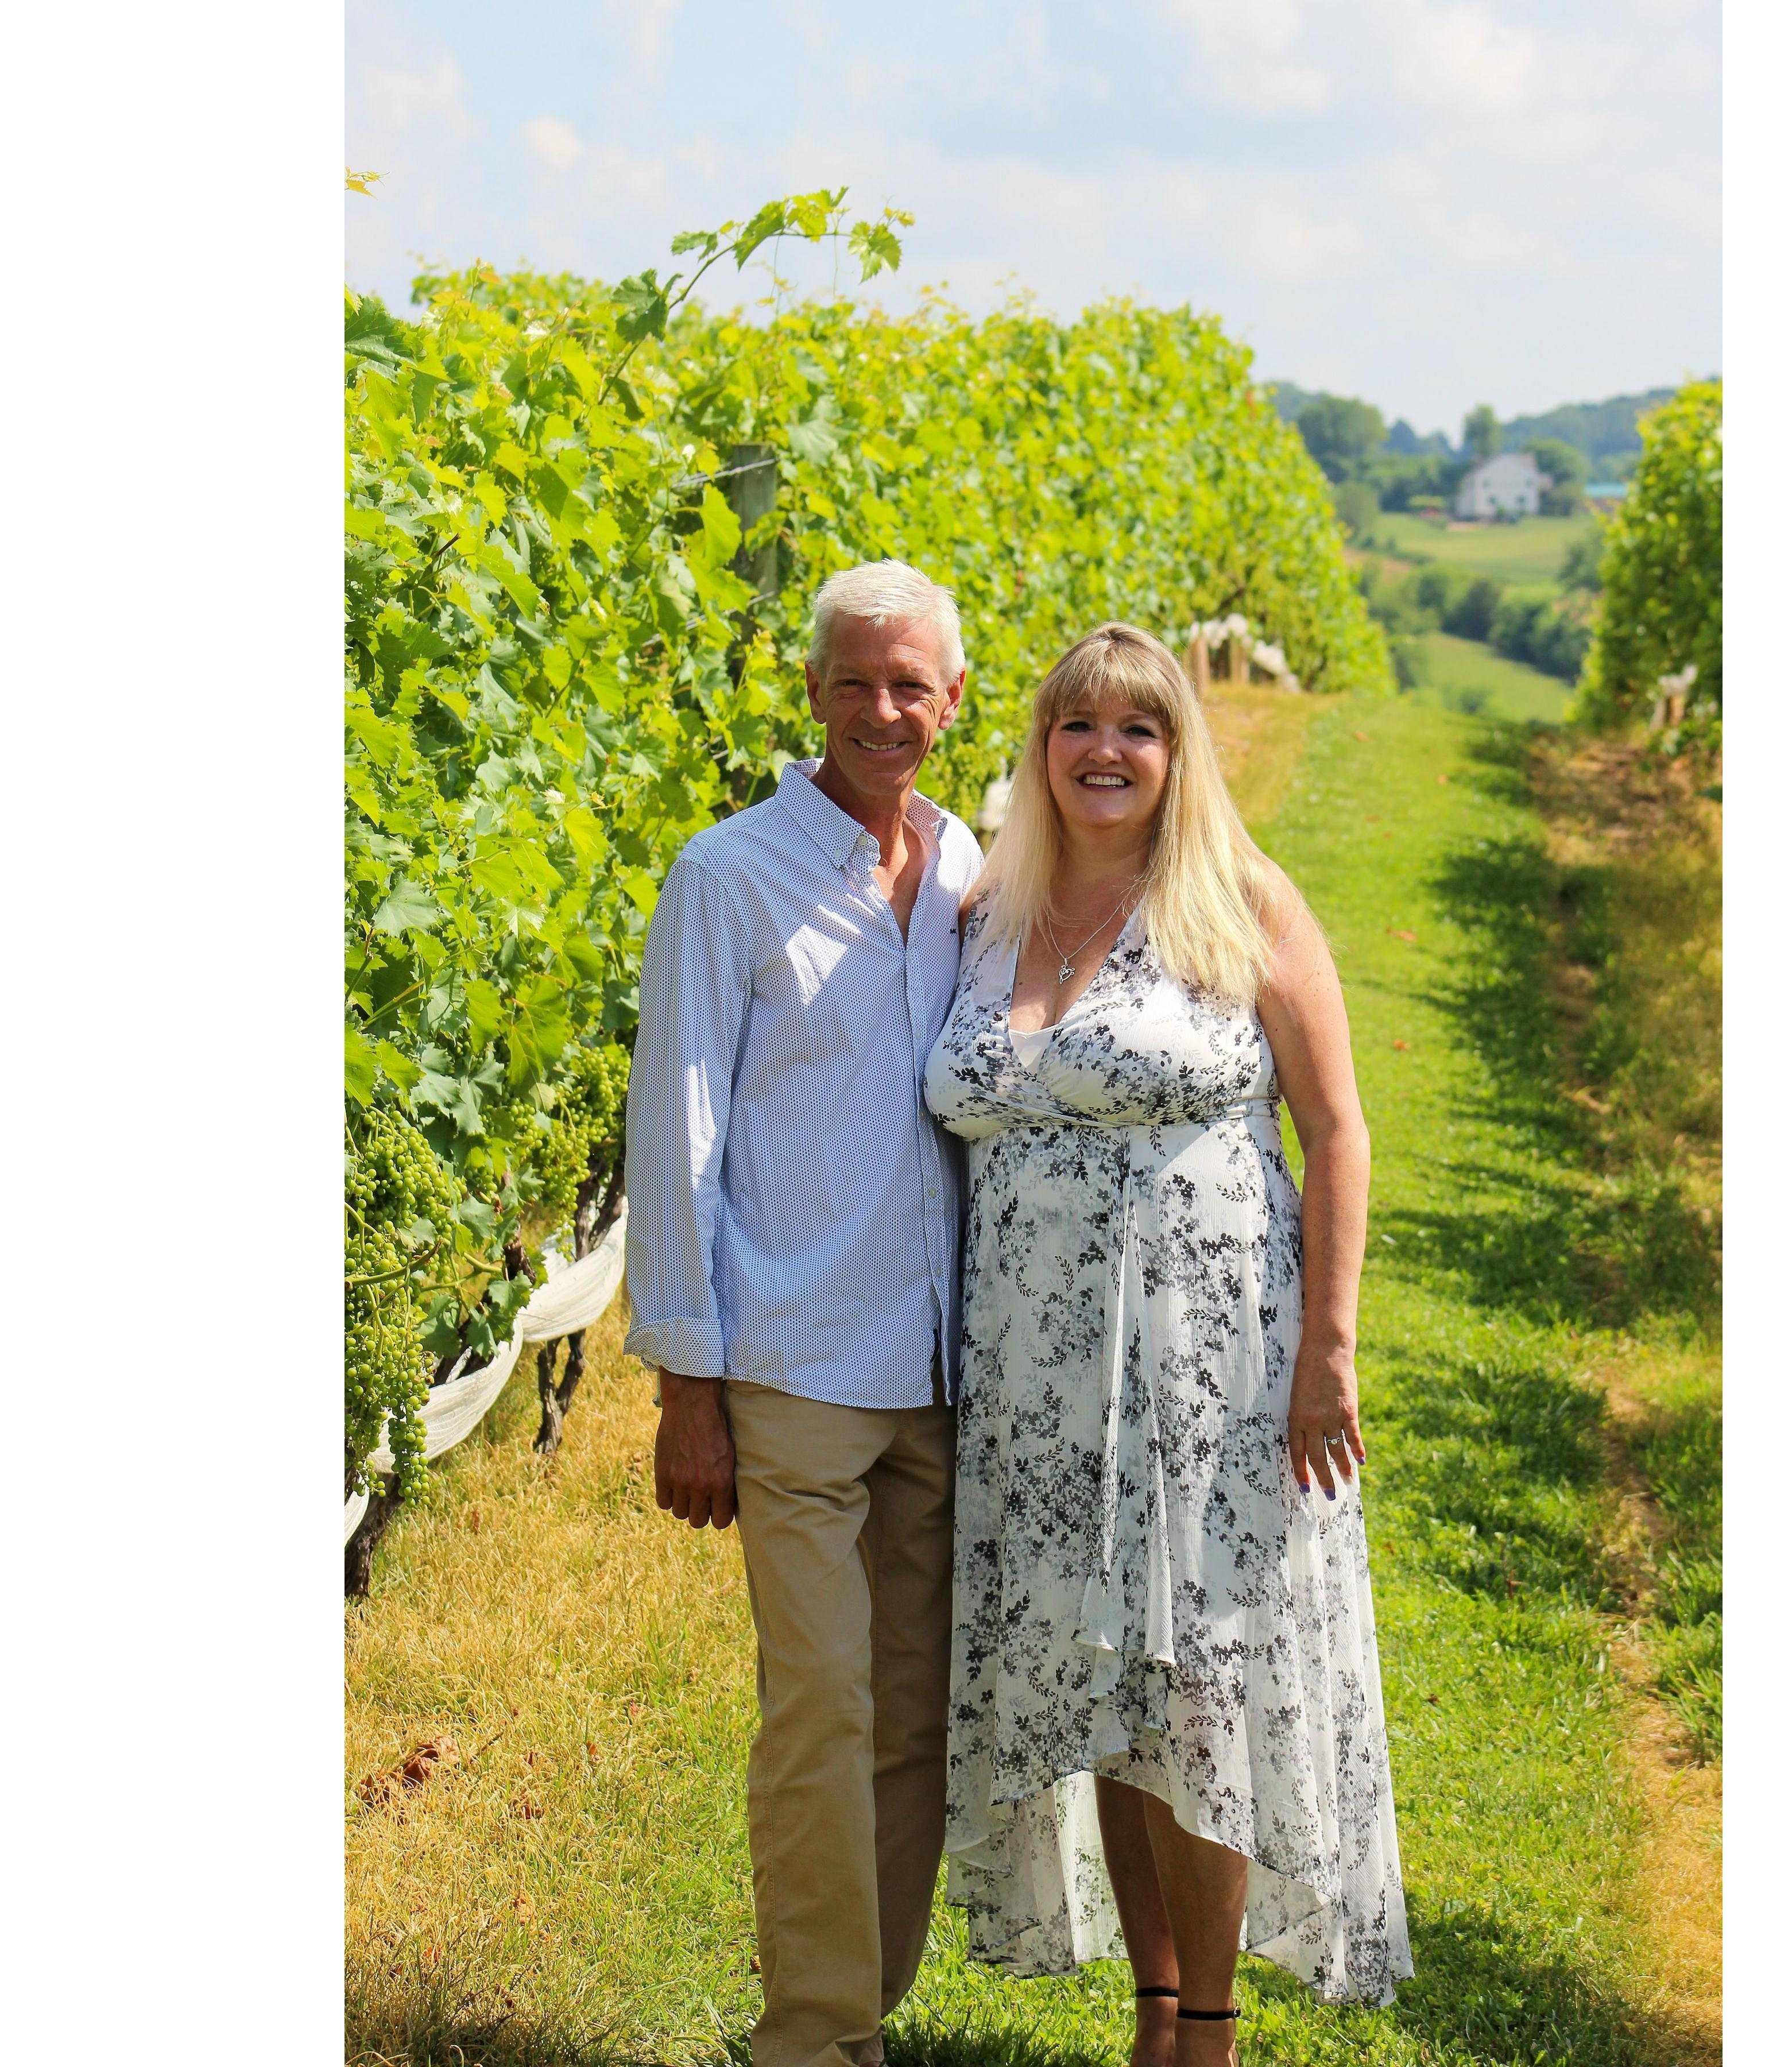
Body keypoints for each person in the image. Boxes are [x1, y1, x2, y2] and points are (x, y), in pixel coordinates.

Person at [923, 623, 1413, 2061]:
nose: (1106, 753)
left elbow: (1336, 1129)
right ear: (1042, 749)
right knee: (1106, 1683)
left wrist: (1331, 1349)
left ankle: (1209, 2025)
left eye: (1139, 728)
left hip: (1211, 1363)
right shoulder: (984, 915)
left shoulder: (1238, 901)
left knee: (1201, 1674)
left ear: (1179, 752)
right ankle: (1153, 2009)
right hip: (1032, 1381)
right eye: (1078, 727)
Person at [624, 561, 984, 2067]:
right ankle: (812, 2037)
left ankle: (865, 2015)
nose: (885, 711)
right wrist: (684, 1384)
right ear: (814, 691)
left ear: (954, 701)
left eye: (914, 685)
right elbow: (677, 1129)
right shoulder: (729, 876)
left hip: (939, 1364)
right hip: (788, 1363)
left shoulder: (973, 869)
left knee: (913, 1718)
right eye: (859, 682)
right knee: (820, 1706)